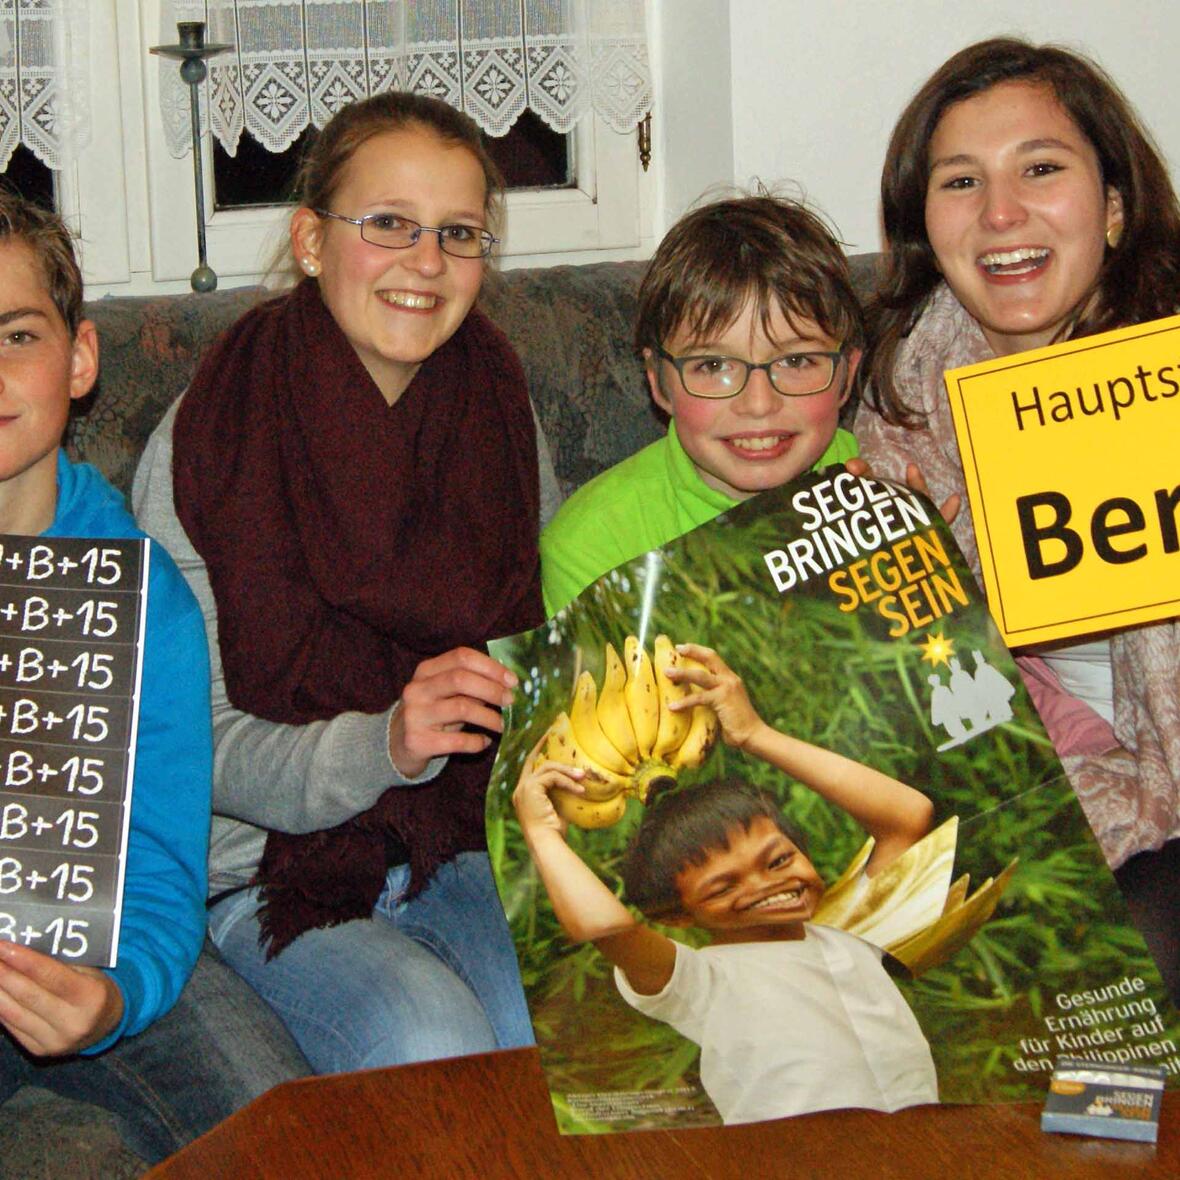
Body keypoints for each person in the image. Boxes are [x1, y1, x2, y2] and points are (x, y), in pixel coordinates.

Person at [132, 92, 552, 1074]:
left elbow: (538, 655)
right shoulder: (212, 435)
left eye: (458, 233)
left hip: (457, 841)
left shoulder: (498, 405)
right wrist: (385, 744)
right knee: (426, 1033)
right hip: (260, 872)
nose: (426, 261)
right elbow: (192, 743)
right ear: (313, 241)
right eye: (389, 225)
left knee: (554, 1025)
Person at [854, 37, 1180, 998]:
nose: (1002, 214)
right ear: (925, 223)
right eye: (961, 182)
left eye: (1041, 168)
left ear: (1115, 208)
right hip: (1051, 779)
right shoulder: (900, 394)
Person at [0, 194, 308, 1164]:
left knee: (288, 1127)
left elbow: (162, 856)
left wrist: (117, 993)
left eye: (15, 334)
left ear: (80, 358)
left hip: (94, 939)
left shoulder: (141, 591)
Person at [513, 644, 938, 1124]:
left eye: (778, 859)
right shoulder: (698, 980)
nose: (764, 885)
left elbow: (908, 817)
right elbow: (605, 928)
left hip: (918, 1143)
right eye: (722, 887)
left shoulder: (851, 933)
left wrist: (756, 735)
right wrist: (543, 836)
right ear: (674, 915)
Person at [540, 195, 862, 615]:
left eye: (796, 361)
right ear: (659, 383)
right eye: (713, 365)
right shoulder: (594, 544)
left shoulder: (880, 483)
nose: (759, 404)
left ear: (847, 376)